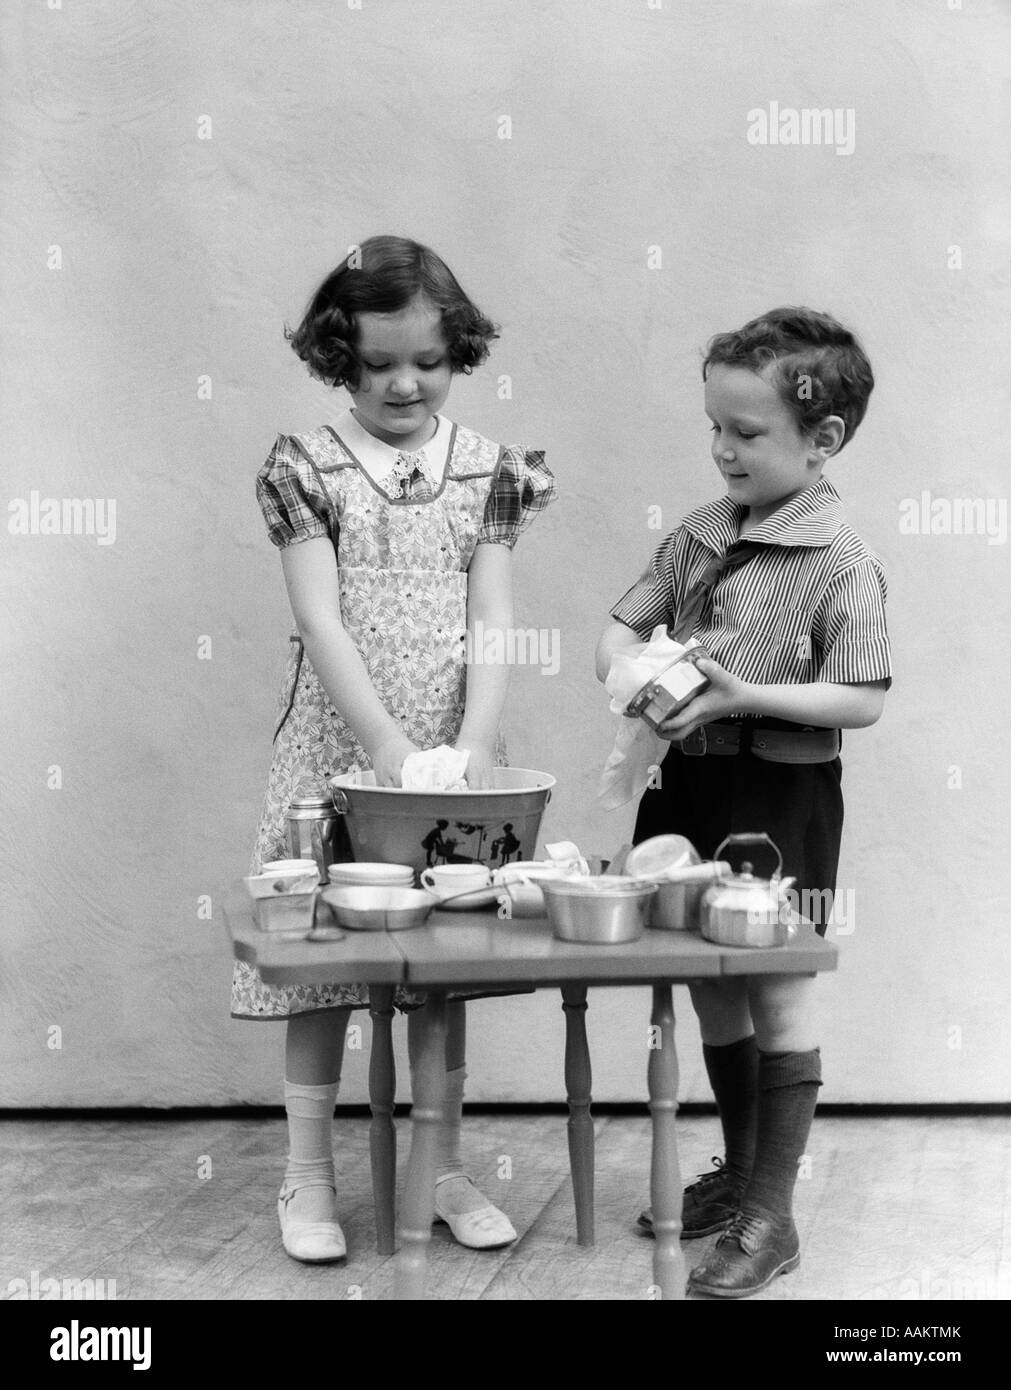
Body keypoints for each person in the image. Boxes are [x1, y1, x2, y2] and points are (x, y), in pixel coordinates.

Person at [233, 235, 555, 1262]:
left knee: (441, 968)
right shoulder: (306, 466)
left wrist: (464, 745)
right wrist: (381, 745)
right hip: (341, 742)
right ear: (341, 358)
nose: (404, 382)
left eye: (428, 360)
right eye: (377, 365)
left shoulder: (489, 471)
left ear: (458, 350)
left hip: (453, 758)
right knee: (330, 965)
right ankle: (309, 1178)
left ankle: (440, 1164)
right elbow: (321, 621)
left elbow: (494, 618)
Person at [596, 307, 891, 1298]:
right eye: (715, 426)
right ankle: (738, 1173)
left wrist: (744, 693)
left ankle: (775, 1209)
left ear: (824, 439)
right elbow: (621, 624)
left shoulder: (841, 561)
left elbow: (862, 696)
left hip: (781, 792)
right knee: (707, 976)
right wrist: (634, 671)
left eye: (749, 432)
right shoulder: (694, 535)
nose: (723, 448)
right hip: (690, 782)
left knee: (775, 982)